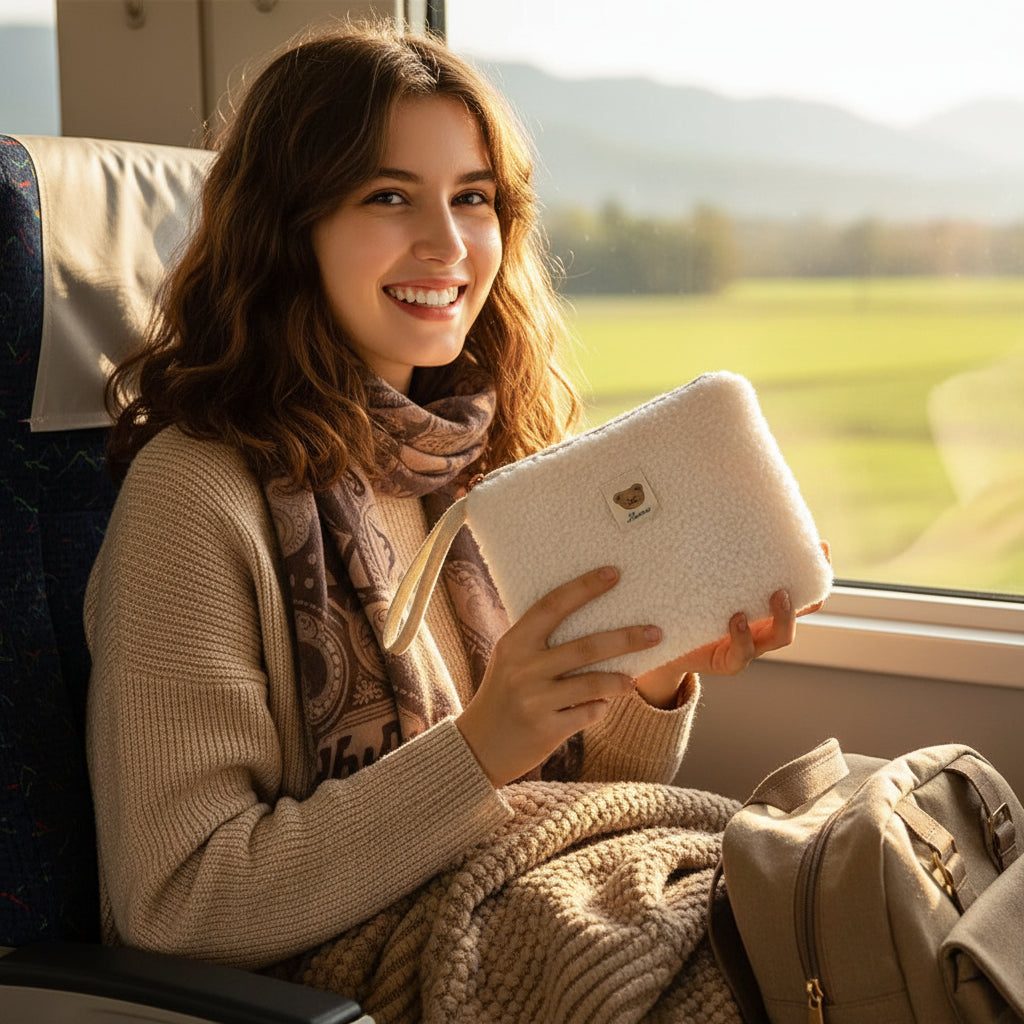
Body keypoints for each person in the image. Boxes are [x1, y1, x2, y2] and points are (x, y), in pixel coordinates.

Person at [85, 18, 803, 1005]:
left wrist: (651, 675)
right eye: (389, 196)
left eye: (474, 199)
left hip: (536, 899)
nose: (448, 242)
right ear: (288, 227)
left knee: (861, 887)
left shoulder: (485, 456)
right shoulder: (197, 492)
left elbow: (567, 803)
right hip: (370, 971)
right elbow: (173, 902)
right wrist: (478, 750)